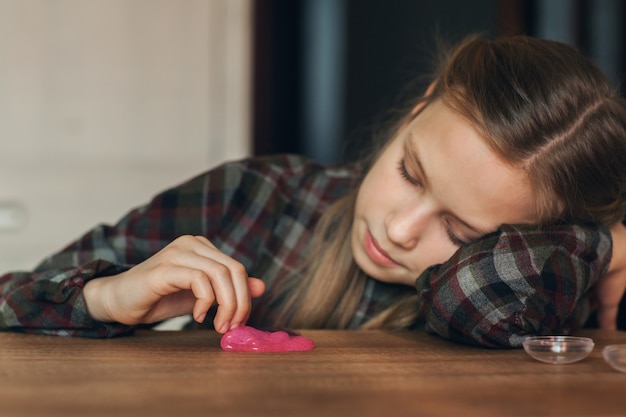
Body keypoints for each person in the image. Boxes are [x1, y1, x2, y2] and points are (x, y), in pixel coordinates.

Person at [1, 34, 626, 347]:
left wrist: (603, 242)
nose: (399, 229)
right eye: (409, 172)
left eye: (461, 233)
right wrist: (107, 298)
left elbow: (470, 292)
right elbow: (9, 304)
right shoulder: (255, 196)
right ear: (417, 109)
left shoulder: (540, 286)